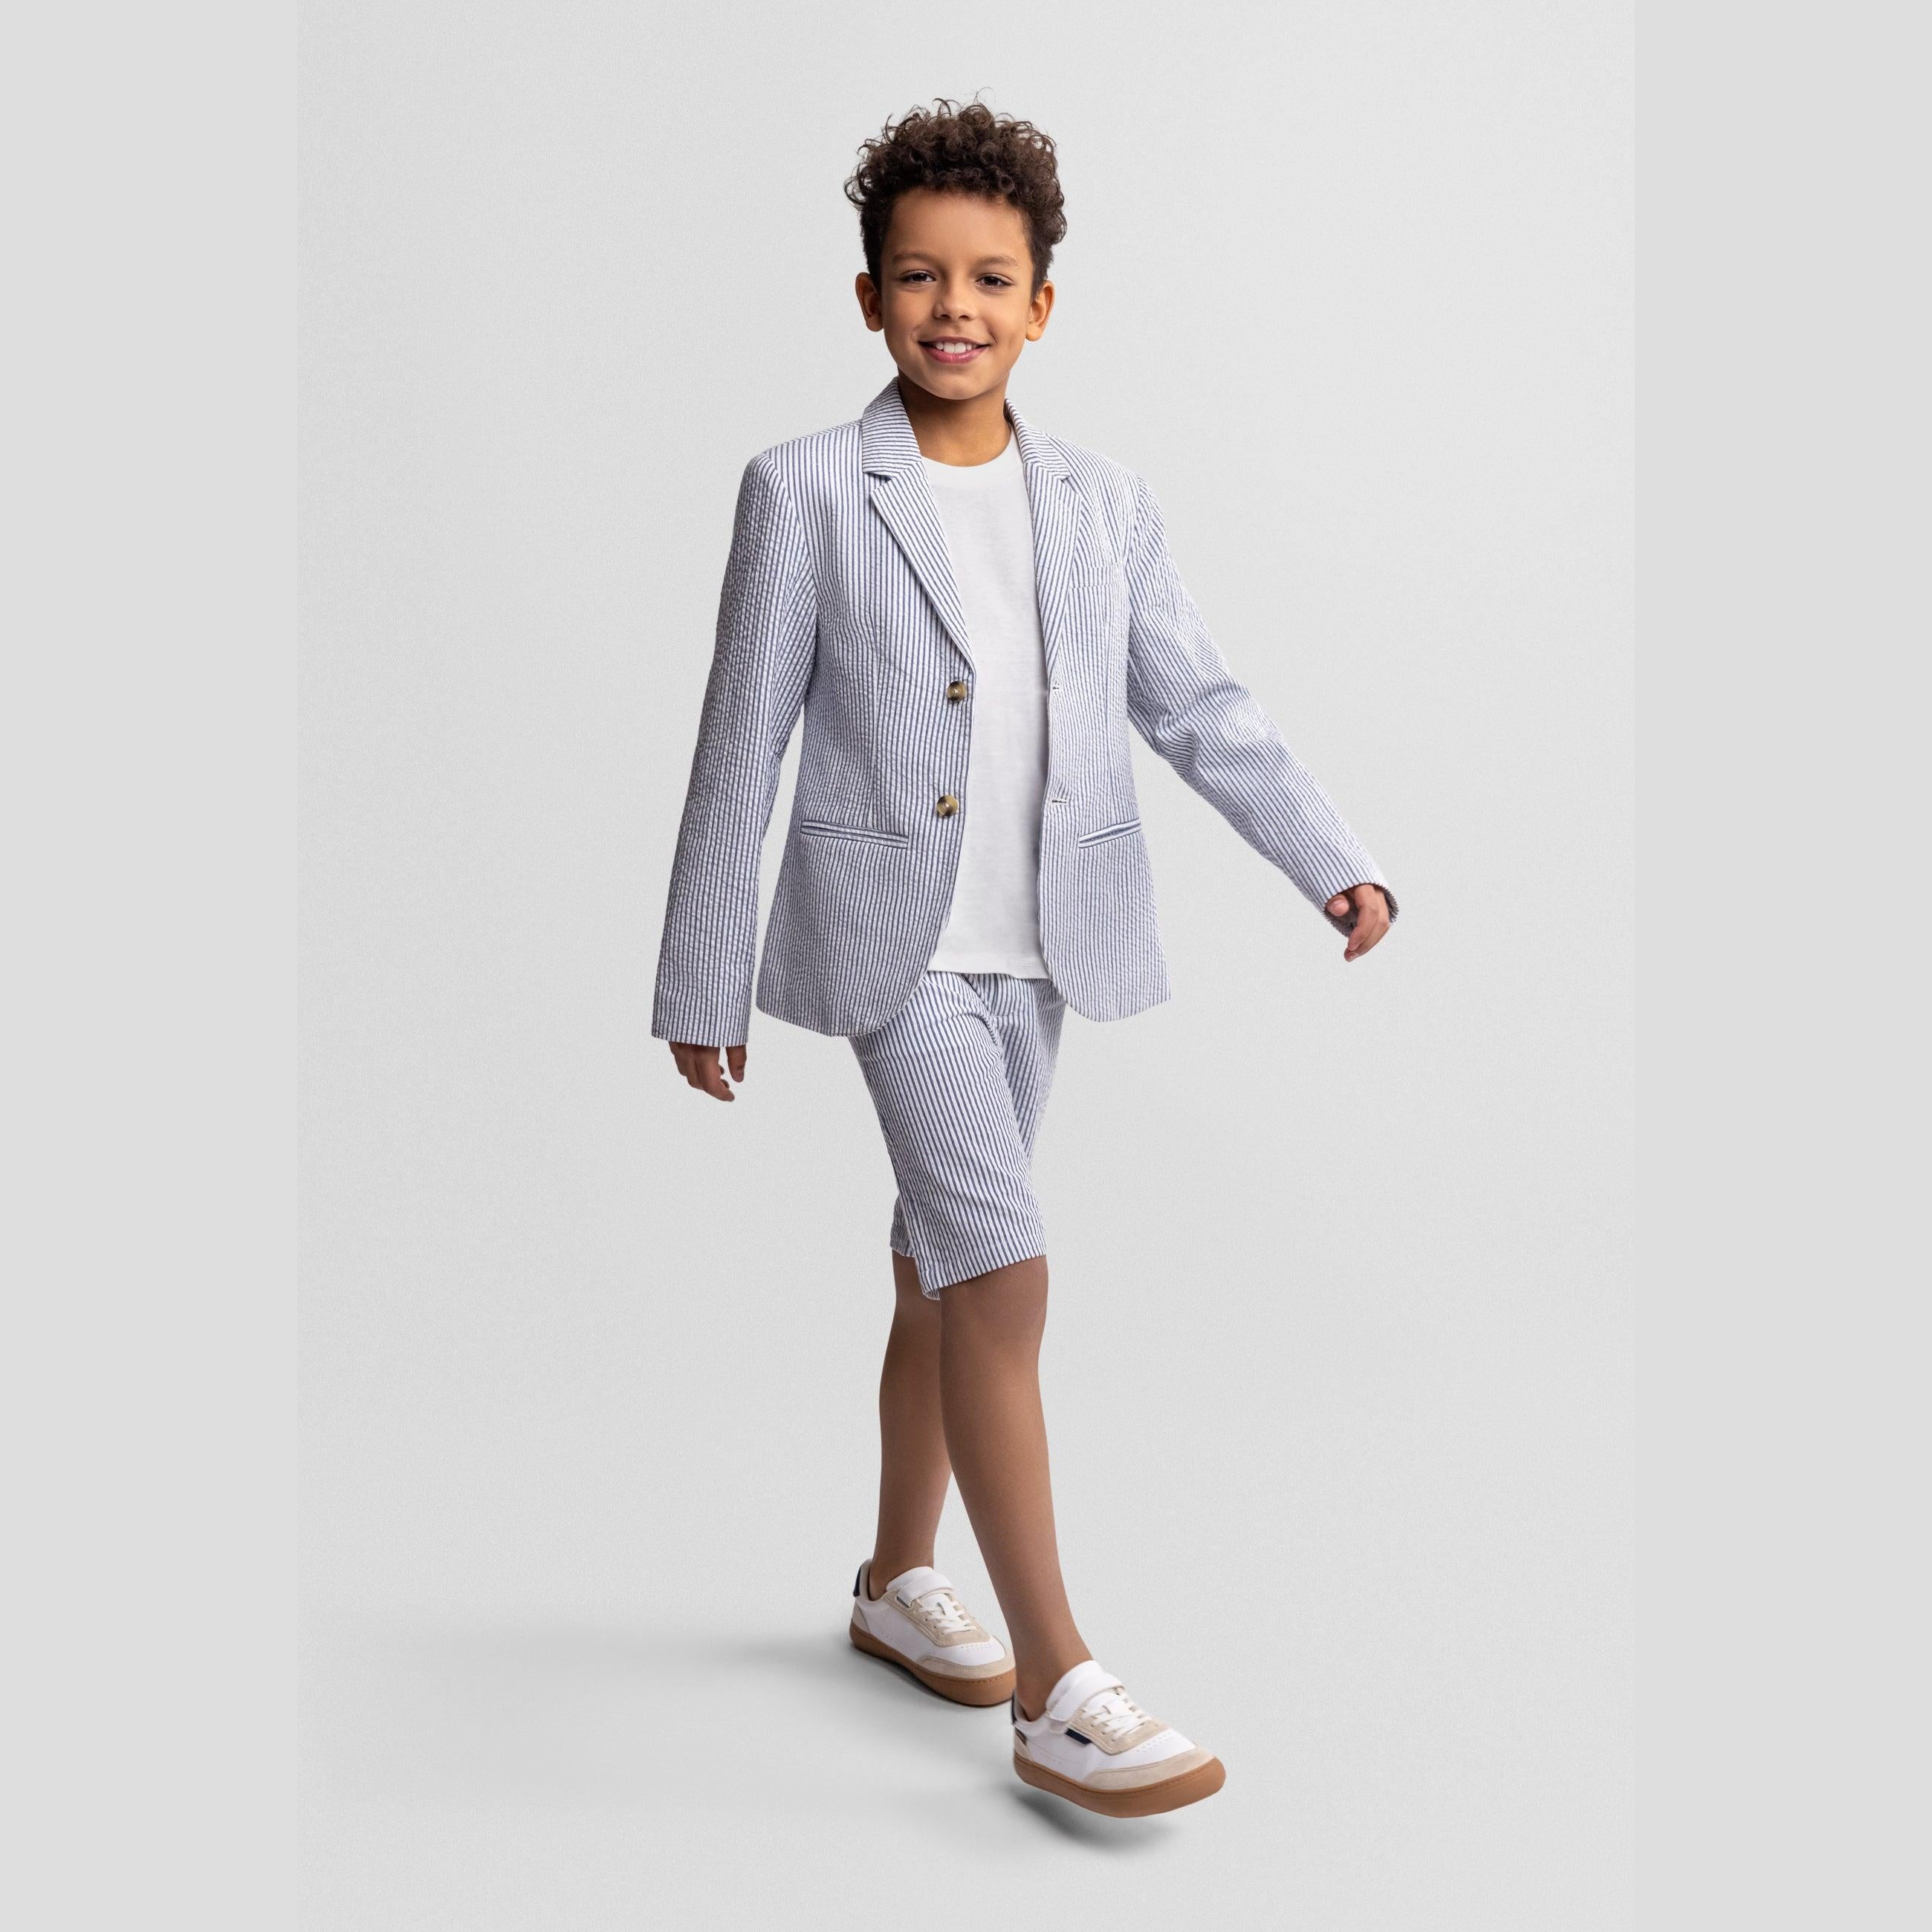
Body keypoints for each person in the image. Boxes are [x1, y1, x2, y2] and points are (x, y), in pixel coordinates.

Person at [651, 98, 1398, 1818]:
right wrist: (701, 976)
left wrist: (1329, 857)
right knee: (1005, 1271)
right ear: (868, 301)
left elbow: (1192, 700)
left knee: (933, 1261)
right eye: (918, 275)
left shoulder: (1102, 501)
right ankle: (1059, 1684)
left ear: (1043, 303)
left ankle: (893, 1575)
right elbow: (738, 741)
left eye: (990, 276)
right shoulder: (804, 491)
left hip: (1043, 947)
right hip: (886, 949)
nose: (953, 306)